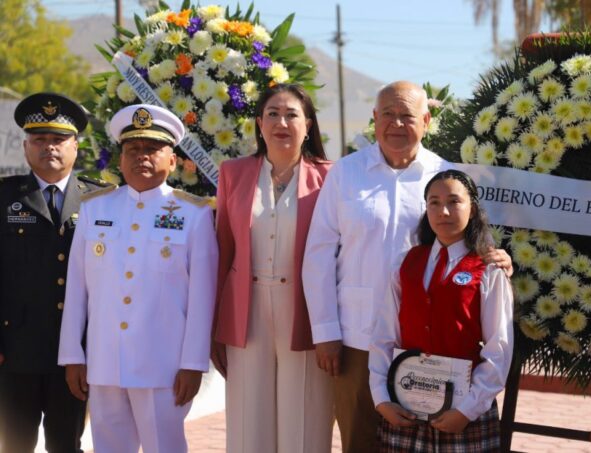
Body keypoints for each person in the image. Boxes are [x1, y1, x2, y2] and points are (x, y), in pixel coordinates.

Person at [303, 81, 513, 453]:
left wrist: (497, 257)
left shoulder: (444, 175)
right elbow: (318, 254)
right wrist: (325, 331)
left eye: (407, 115)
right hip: (357, 338)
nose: (396, 124)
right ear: (374, 118)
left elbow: (468, 240)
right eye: (388, 114)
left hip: (430, 350)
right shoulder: (346, 173)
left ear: (426, 121)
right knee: (359, 442)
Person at [57, 104, 217, 453]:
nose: (141, 156)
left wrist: (193, 364)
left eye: (152, 148)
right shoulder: (95, 208)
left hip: (163, 365)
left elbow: (202, 298)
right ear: (120, 159)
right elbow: (78, 288)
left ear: (172, 160)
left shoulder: (194, 213)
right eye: (132, 149)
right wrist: (72, 354)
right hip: (105, 361)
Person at [211, 83, 334, 453]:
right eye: (273, 114)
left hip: (305, 310)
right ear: (259, 123)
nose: (282, 122)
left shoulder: (330, 177)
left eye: (292, 114)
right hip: (246, 309)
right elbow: (223, 250)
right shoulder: (233, 173)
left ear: (308, 125)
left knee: (305, 419)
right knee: (248, 422)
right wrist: (214, 325)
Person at [369, 169, 513, 452]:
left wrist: (467, 410)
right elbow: (384, 336)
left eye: (454, 201)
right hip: (406, 406)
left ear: (472, 209)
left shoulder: (488, 269)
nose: (443, 211)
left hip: (463, 411)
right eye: (434, 202)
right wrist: (381, 397)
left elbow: (499, 347)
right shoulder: (405, 262)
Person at [0, 92, 108, 452]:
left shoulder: (100, 201)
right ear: (25, 147)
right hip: (16, 351)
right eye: (39, 139)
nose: (49, 147)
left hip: (75, 353)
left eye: (59, 139)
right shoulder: (5, 198)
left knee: (66, 445)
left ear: (76, 146)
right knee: (15, 445)